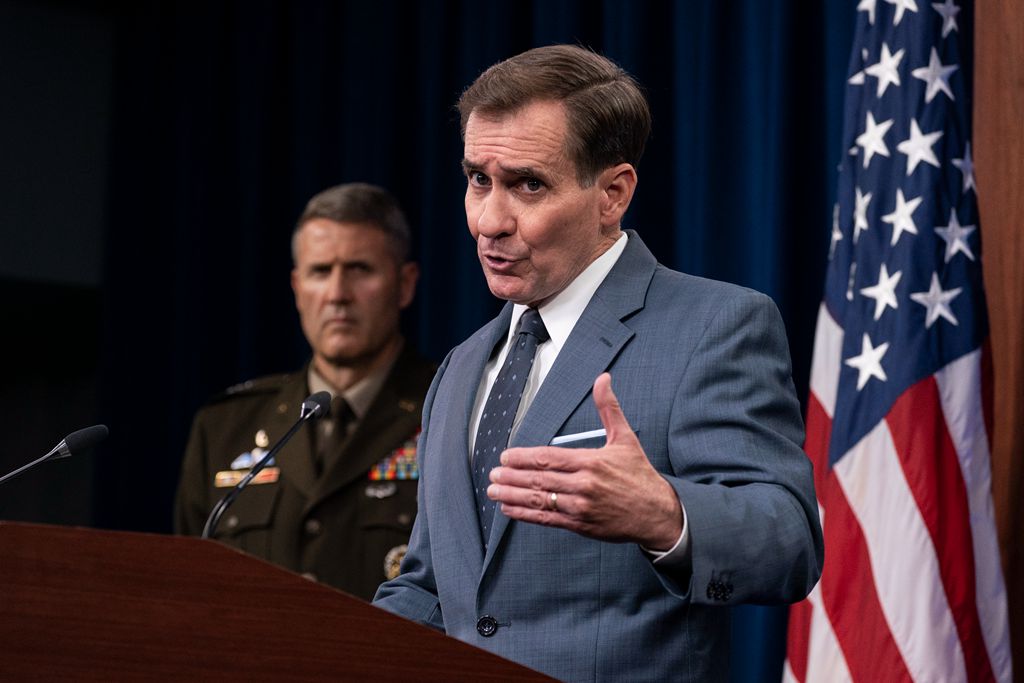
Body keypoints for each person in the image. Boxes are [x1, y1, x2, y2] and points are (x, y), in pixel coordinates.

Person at [373, 46, 823, 680]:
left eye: (528, 185)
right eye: (478, 180)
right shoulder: (461, 367)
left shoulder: (714, 326)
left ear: (613, 194)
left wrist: (663, 514)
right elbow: (432, 587)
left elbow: (789, 544)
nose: (489, 221)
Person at [175, 182, 436, 601]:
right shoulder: (224, 427)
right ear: (297, 288)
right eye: (320, 272)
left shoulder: (449, 410)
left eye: (360, 269)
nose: (337, 295)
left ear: (405, 284)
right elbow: (188, 590)